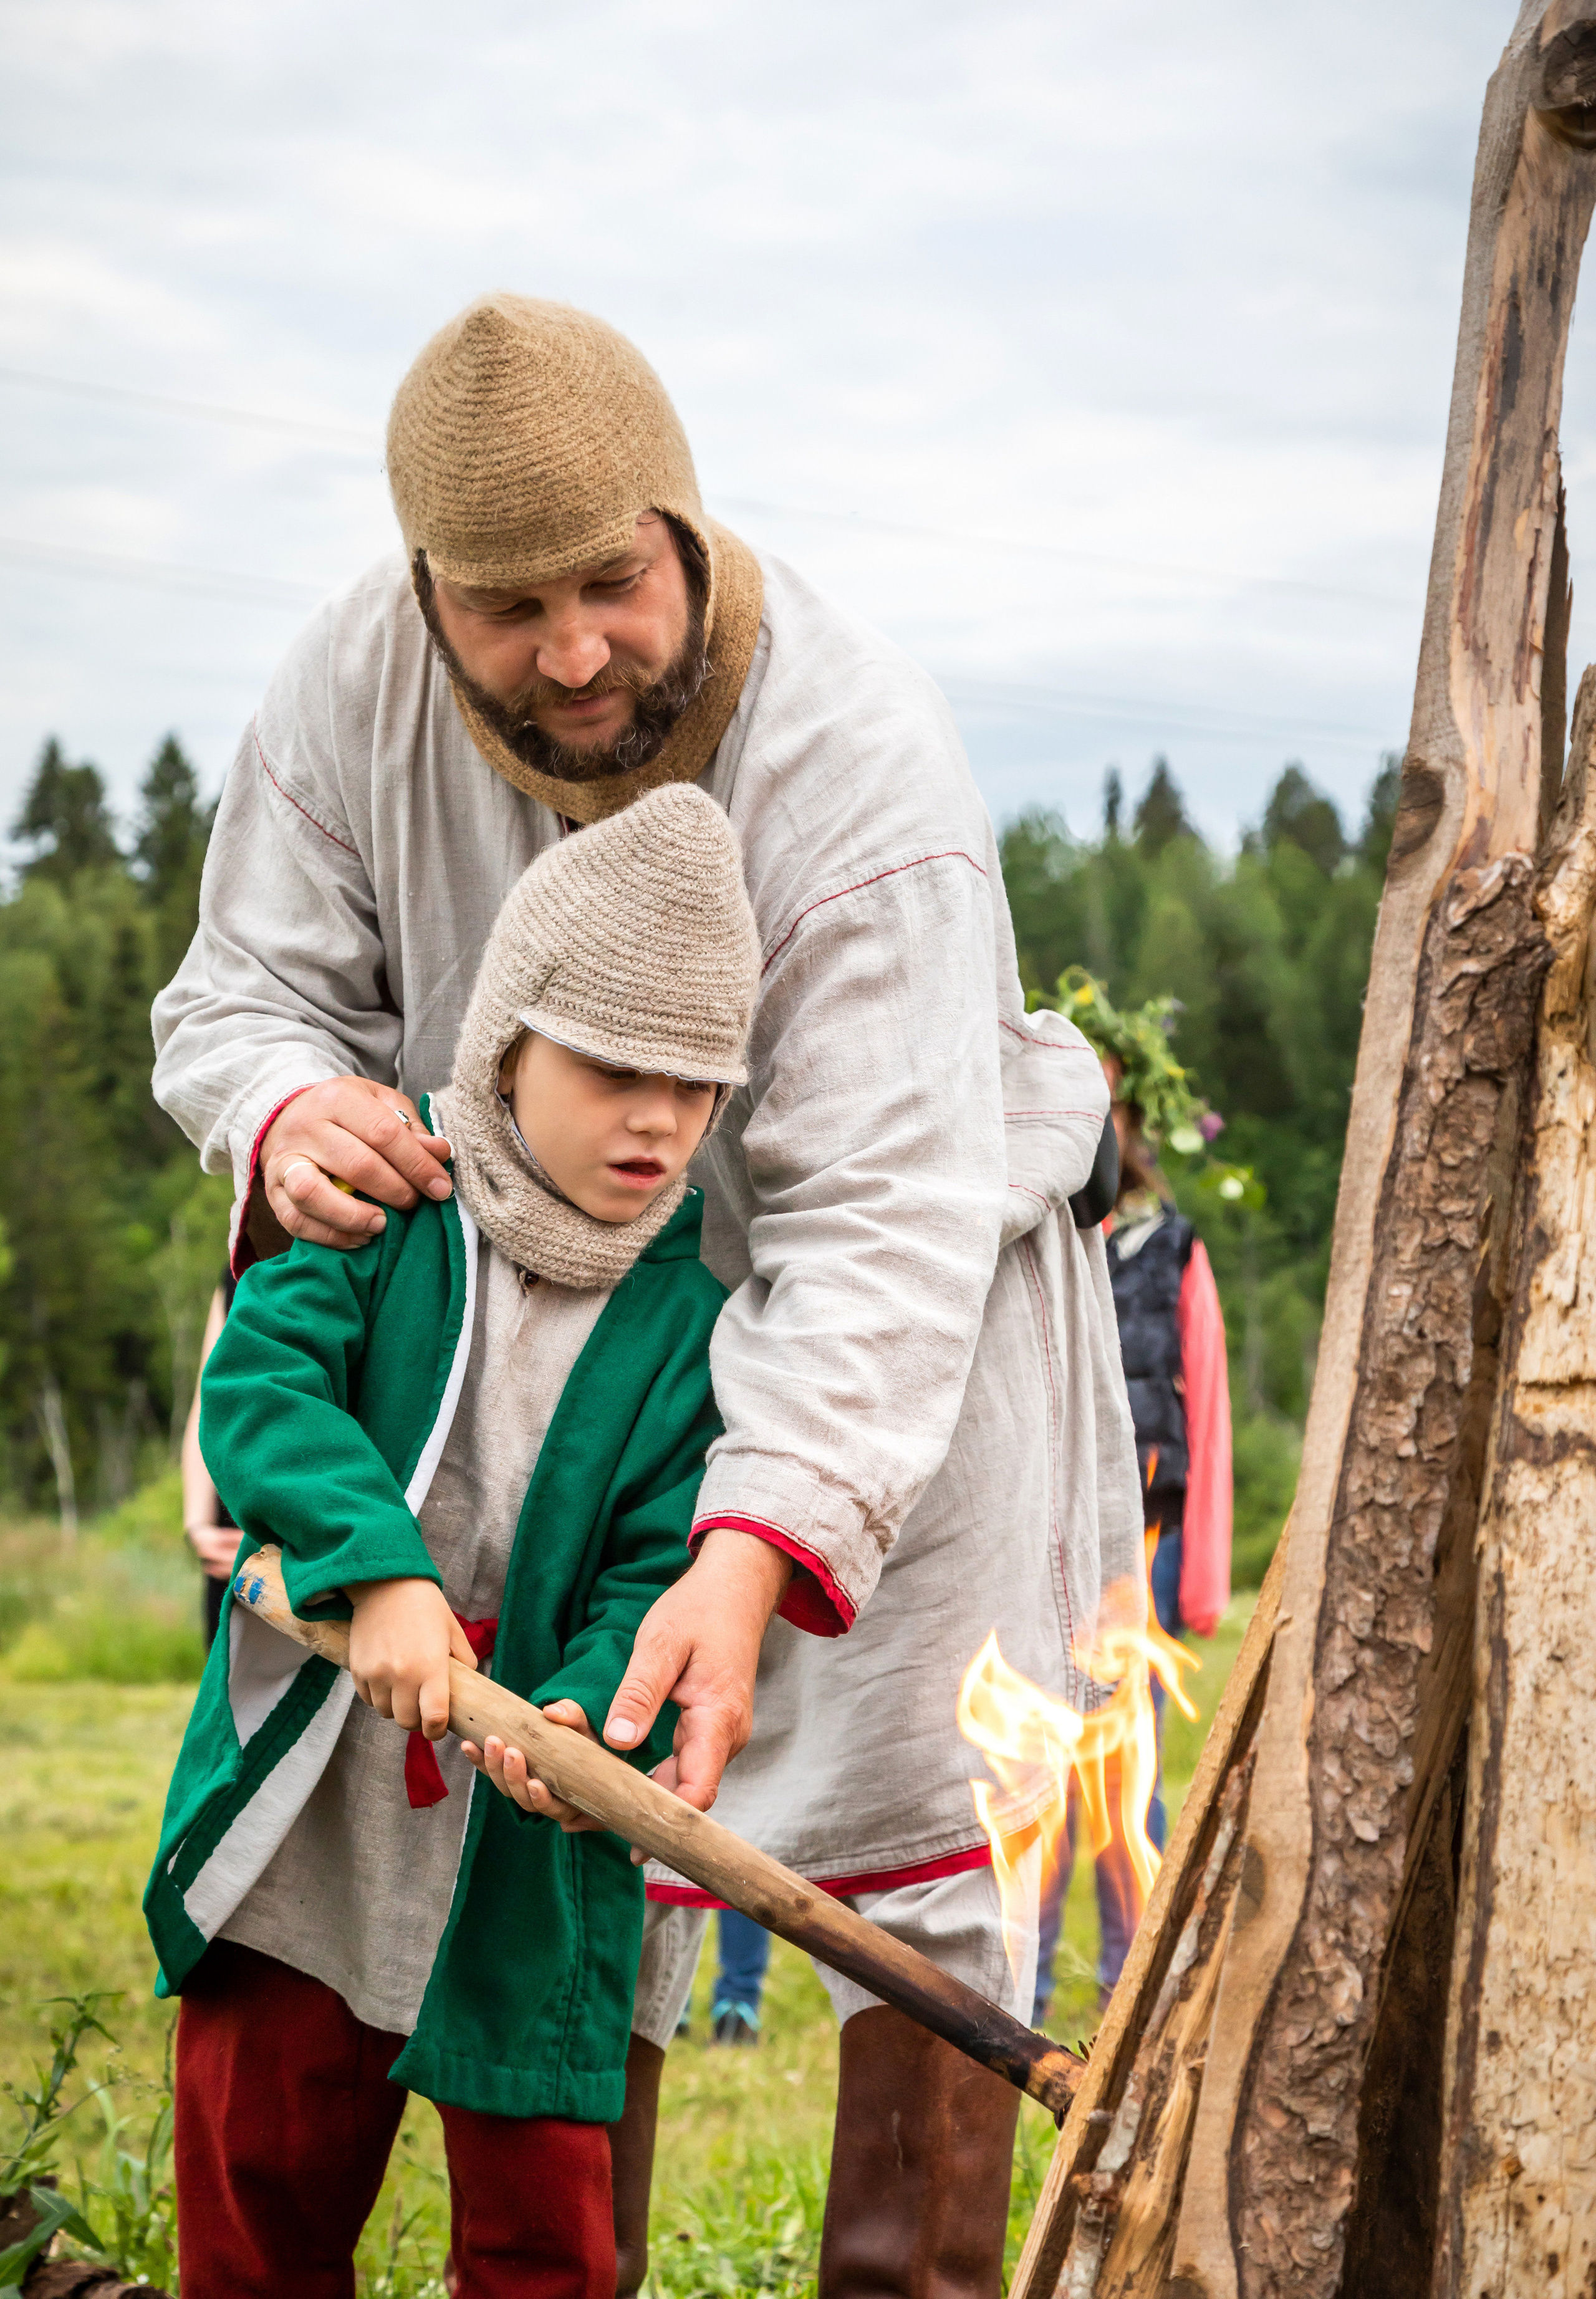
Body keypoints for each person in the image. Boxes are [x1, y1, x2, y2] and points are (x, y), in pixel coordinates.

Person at [151, 295, 1142, 2299]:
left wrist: (762, 1532)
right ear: (426, 586)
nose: (573, 649)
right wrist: (282, 1111)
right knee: (577, 1795)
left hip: (890, 1365)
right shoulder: (351, 678)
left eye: (610, 581)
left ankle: (907, 2280)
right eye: (509, 609)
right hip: (520, 1344)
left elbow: (882, 1203)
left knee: (908, 1828)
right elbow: (244, 987)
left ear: (679, 526)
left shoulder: (863, 763)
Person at [144, 787, 759, 2299]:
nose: (656, 1120)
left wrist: (592, 1702)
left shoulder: (692, 1321)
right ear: (505, 1043)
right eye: (614, 1068)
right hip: (319, 1801)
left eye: (695, 1085)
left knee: (545, 2228)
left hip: (524, 1828)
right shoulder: (389, 1193)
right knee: (260, 2181)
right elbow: (262, 1393)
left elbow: (655, 1557)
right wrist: (384, 1567)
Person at [1031, 987, 1232, 2022]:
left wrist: (1199, 1570)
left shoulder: (1173, 1245)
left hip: (1143, 1527)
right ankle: (1021, 1971)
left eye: (1110, 1110)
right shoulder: (1038, 1226)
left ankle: (1124, 1973)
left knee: (1127, 1746)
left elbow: (1209, 1398)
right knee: (1035, 1739)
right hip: (1044, 1518)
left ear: (1134, 1125)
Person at [180, 1279, 239, 1646]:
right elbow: (210, 1397)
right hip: (229, 1542)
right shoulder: (239, 1258)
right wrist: (199, 1525)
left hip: (311, 1538)